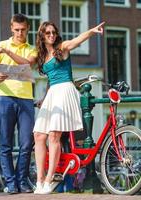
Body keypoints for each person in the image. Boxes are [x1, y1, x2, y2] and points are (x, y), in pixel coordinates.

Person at [32, 21, 105, 194]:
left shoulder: (62, 47)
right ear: (42, 36)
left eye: (53, 32)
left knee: (54, 136)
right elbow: (50, 80)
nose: (51, 35)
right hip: (52, 94)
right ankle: (39, 179)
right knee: (38, 135)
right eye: (48, 33)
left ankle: (50, 179)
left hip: (65, 91)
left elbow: (77, 41)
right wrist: (44, 98)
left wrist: (92, 31)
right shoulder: (43, 56)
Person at [0, 13, 37, 194]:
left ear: (28, 29)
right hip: (4, 99)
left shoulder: (32, 48)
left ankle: (22, 181)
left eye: (23, 30)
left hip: (26, 100)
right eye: (16, 29)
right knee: (5, 144)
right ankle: (10, 183)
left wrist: (8, 53)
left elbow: (26, 65)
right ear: (11, 28)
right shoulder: (0, 45)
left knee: (25, 144)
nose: (19, 33)